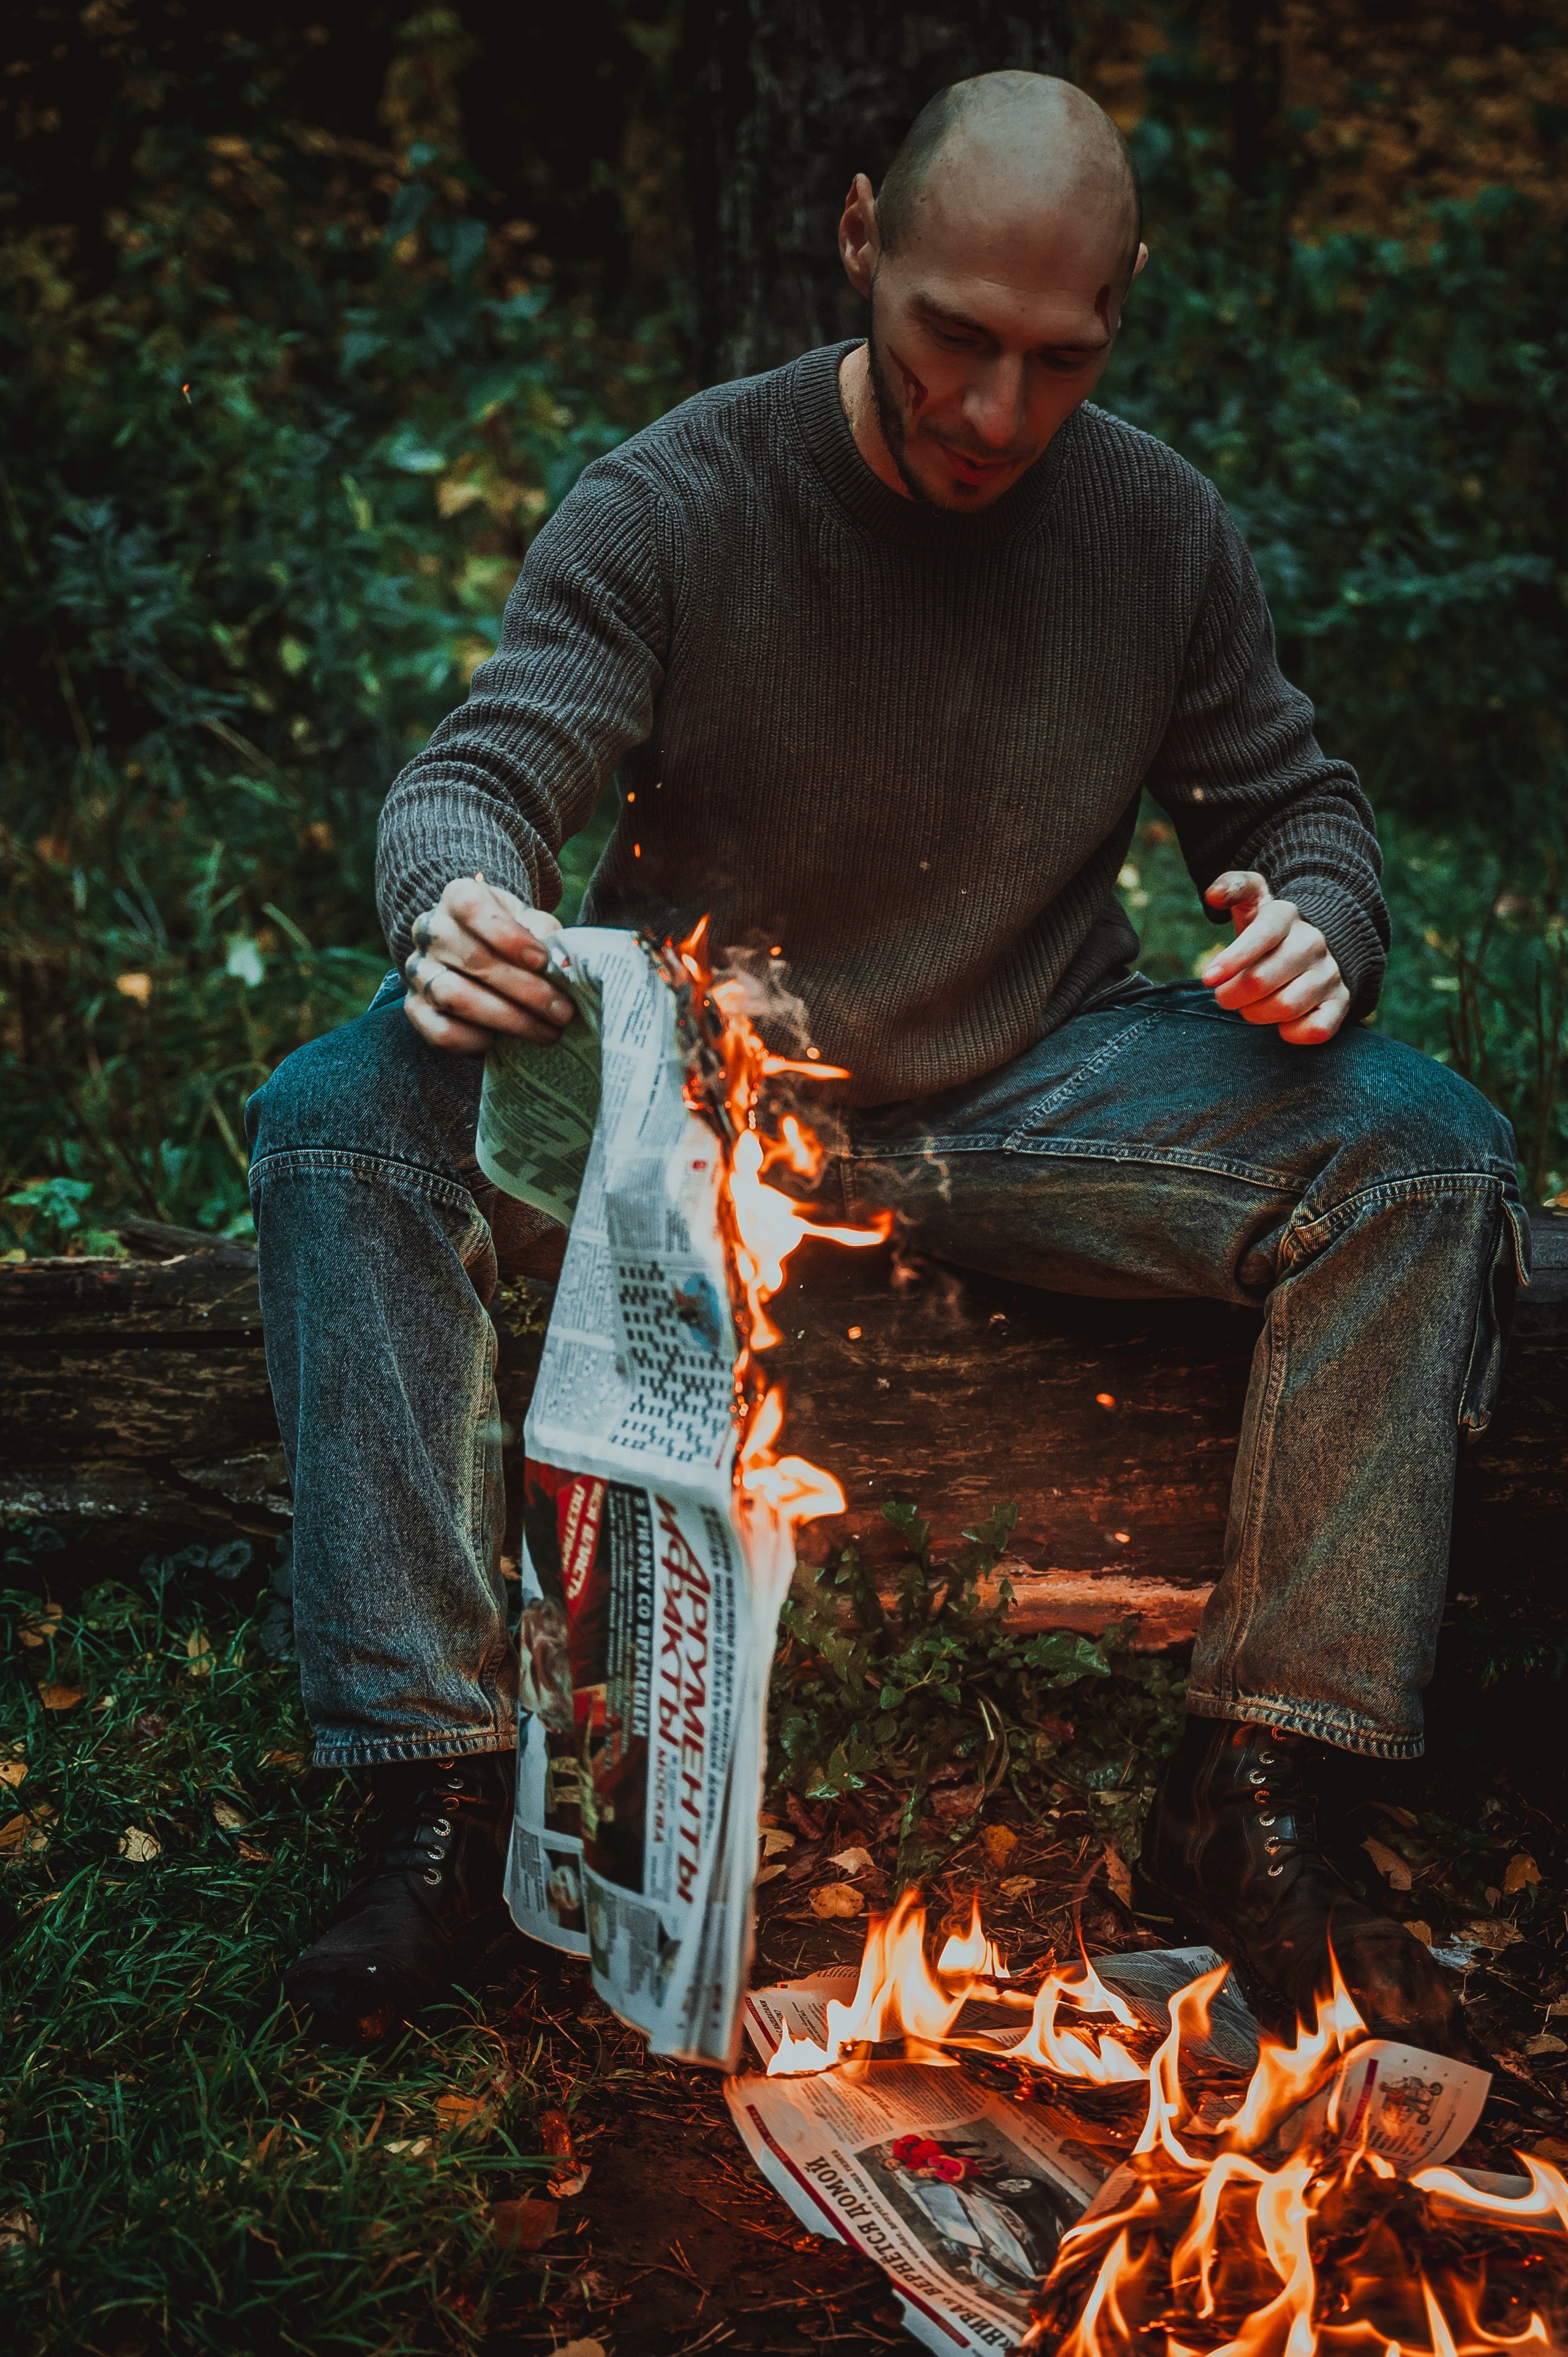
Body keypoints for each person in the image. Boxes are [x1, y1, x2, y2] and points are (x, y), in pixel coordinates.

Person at [248, 70, 1526, 2052]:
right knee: (341, 1122)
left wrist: (1315, 923)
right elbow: (484, 769)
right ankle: (427, 1793)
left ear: (1120, 310)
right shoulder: (682, 495)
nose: (1000, 415)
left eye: (1059, 359)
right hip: (695, 1091)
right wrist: (462, 900)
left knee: (1427, 1155)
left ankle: (1264, 1780)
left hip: (1033, 1083)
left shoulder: (1154, 527)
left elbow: (1304, 807)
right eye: (953, 339)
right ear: (859, 241)